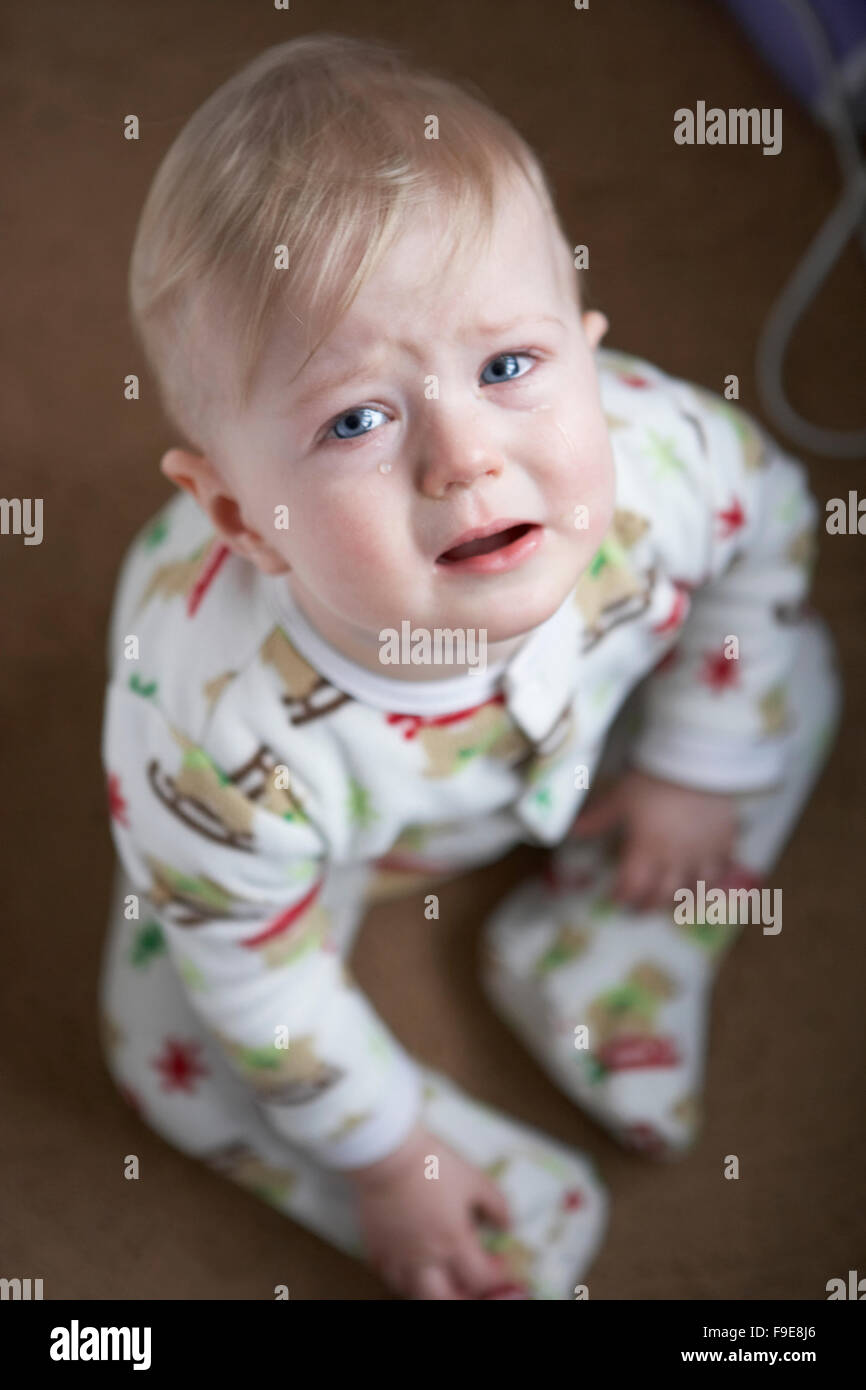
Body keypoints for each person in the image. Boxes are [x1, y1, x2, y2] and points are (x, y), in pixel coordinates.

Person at [99, 33, 842, 1300]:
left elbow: (766, 532)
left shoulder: (661, 461)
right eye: (355, 420)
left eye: (508, 367)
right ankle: (444, 1170)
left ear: (588, 357)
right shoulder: (212, 740)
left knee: (788, 674)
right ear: (236, 516)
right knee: (170, 1026)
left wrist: (693, 766)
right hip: (328, 850)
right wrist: (389, 1158)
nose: (465, 458)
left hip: (588, 734)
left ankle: (602, 952)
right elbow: (253, 974)